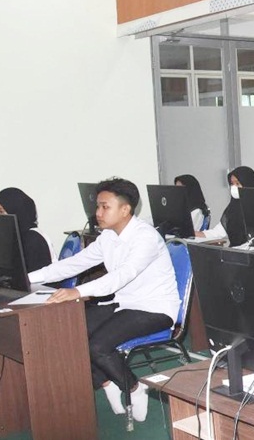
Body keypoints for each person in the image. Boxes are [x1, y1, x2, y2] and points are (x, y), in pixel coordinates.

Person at [28, 178, 178, 421]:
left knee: (97, 346)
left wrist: (78, 292)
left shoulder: (145, 237)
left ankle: (134, 388)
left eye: (104, 207)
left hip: (154, 308)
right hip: (123, 304)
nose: (97, 213)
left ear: (125, 209)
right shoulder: (108, 236)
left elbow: (122, 276)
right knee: (69, 332)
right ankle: (107, 382)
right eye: (97, 206)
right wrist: (26, 278)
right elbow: (74, 264)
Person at [196, 166, 254, 246]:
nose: (234, 187)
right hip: (236, 252)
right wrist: (193, 234)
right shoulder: (232, 209)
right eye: (232, 184)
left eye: (237, 183)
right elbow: (217, 233)